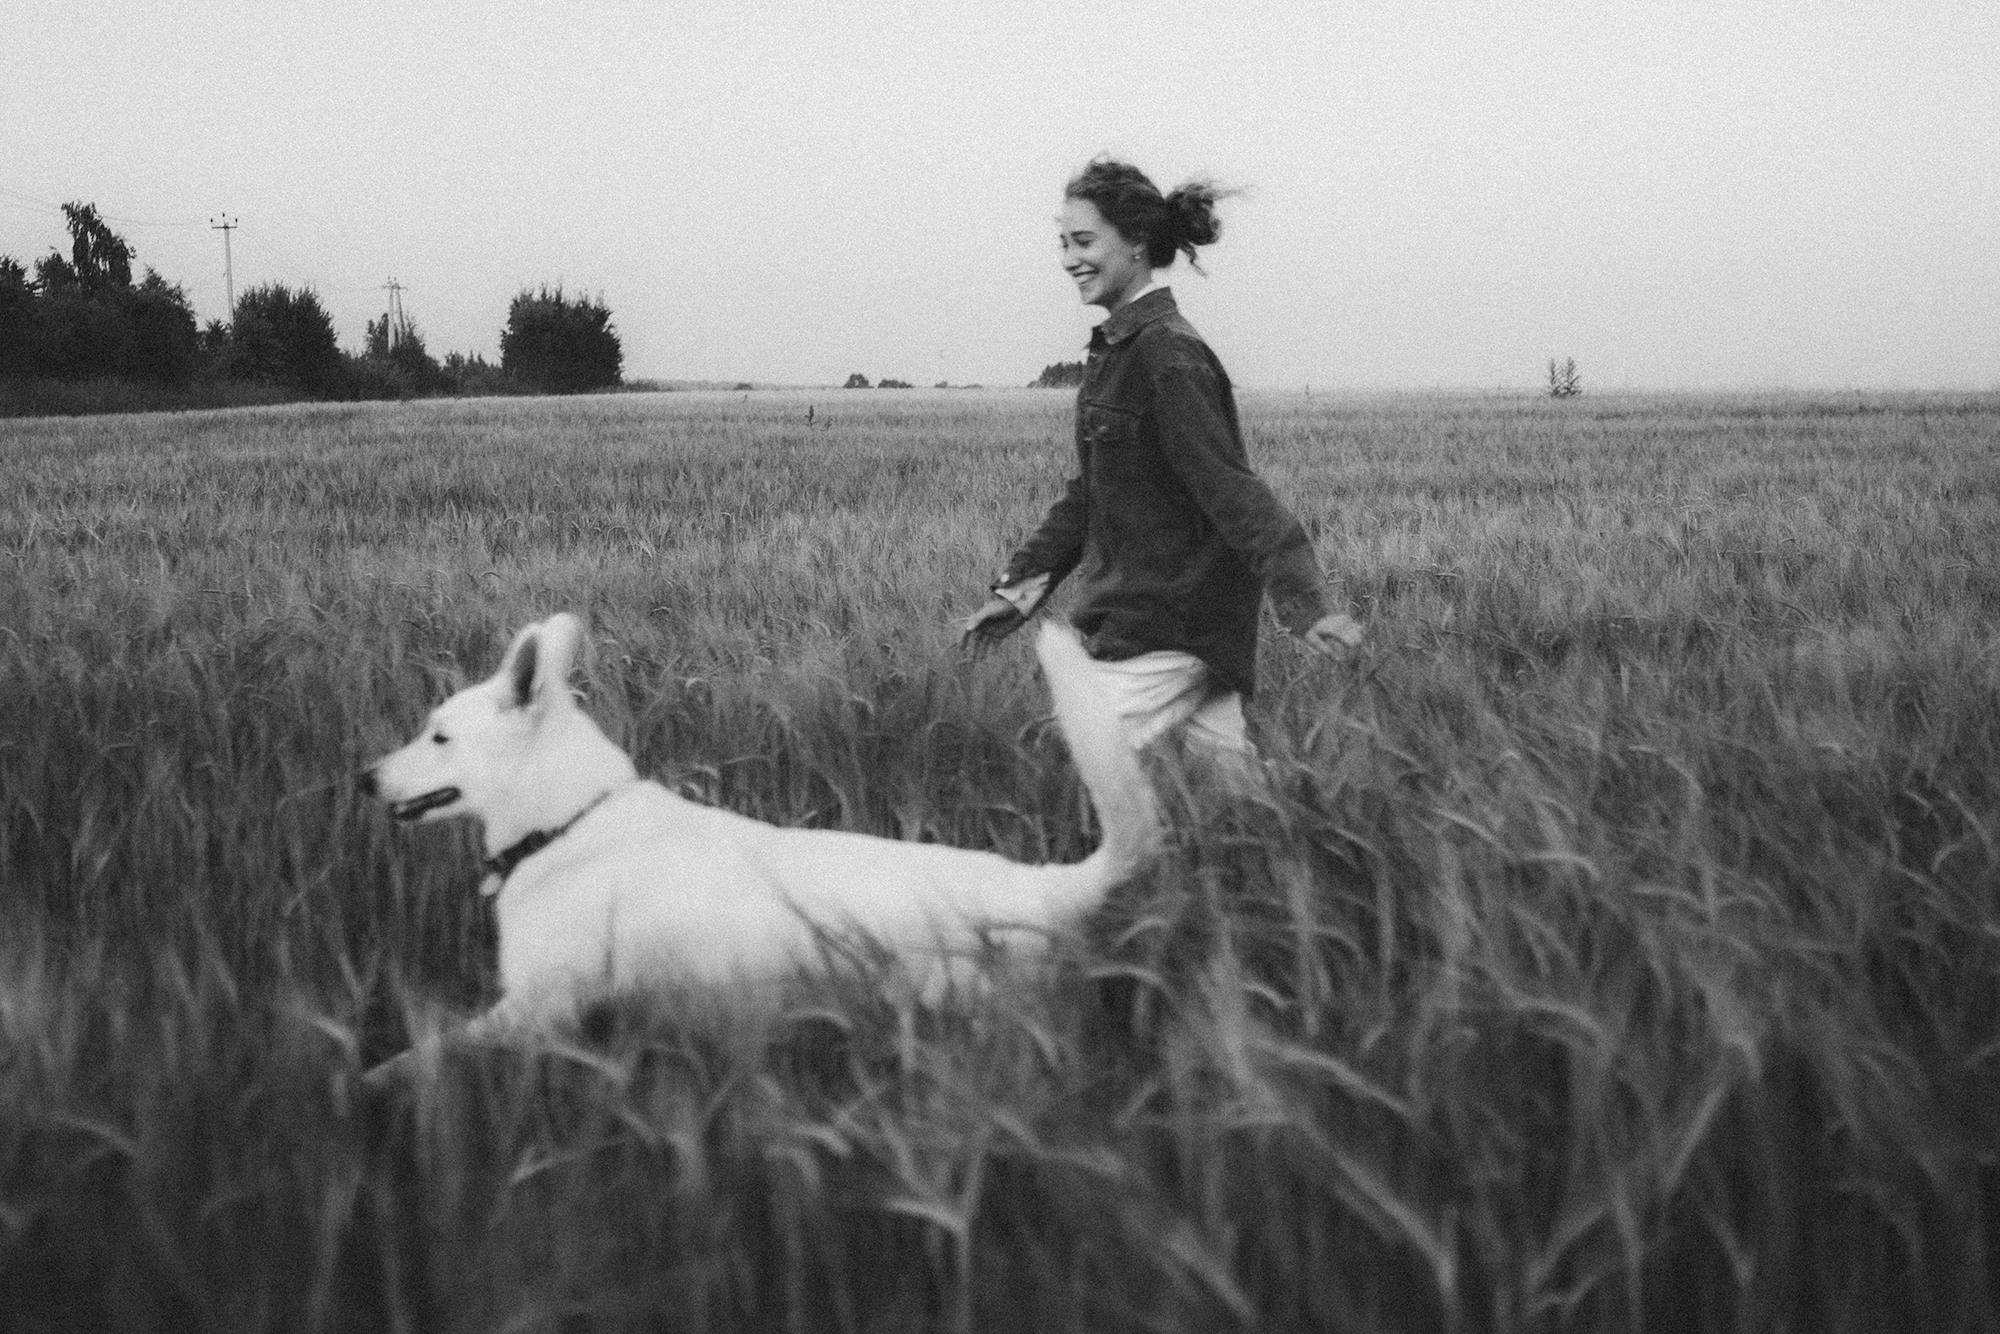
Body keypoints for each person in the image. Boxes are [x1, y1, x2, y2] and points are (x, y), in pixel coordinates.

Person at [961, 158, 1362, 757]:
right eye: (1063, 243)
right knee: (1230, 796)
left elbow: (1233, 490)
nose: (1069, 259)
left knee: (1063, 764)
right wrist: (1016, 594)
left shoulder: (1166, 356)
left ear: (1137, 242)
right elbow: (1090, 495)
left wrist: (1308, 607)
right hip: (1184, 624)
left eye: (1084, 241)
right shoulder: (1121, 351)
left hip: (1167, 628)